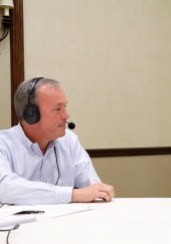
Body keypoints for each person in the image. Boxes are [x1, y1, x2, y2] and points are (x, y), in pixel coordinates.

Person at [0, 77, 115, 205]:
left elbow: (92, 189)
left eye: (65, 107)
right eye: (57, 109)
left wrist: (100, 193)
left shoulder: (69, 141)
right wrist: (72, 194)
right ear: (31, 115)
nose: (66, 115)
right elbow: (4, 188)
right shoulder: (3, 145)